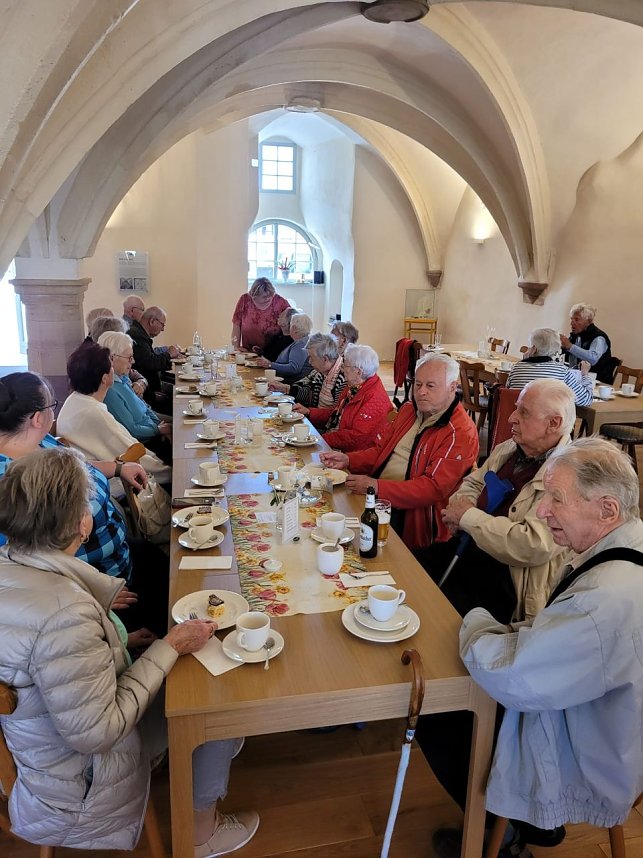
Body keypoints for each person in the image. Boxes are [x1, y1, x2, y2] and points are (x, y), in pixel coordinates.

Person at [0, 446, 259, 856]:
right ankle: (202, 833)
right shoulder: (64, 614)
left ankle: (204, 759)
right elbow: (98, 732)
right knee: (218, 699)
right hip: (82, 782)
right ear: (82, 524)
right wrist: (170, 645)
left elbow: (51, 664)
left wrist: (116, 643)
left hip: (40, 748)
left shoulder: (10, 564)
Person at [422, 438, 643, 858]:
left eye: (556, 499)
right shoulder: (629, 545)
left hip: (593, 746)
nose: (542, 511)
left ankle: (503, 832)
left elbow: (515, 676)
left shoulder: (605, 597)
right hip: (615, 719)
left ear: (607, 509)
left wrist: (473, 621)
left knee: (440, 711)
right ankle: (523, 821)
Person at [0, 371, 169, 638]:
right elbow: (26, 567)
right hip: (97, 589)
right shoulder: (10, 481)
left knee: (170, 567)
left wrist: (116, 467)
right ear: (37, 418)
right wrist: (94, 596)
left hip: (117, 555)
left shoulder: (38, 441)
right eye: (51, 406)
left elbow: (75, 464)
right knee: (170, 610)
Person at [418, 379, 576, 623]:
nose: (511, 417)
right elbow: (471, 484)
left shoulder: (568, 475)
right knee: (410, 569)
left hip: (507, 580)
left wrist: (468, 517)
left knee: (439, 616)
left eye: (523, 412)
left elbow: (532, 544)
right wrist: (462, 512)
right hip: (470, 546)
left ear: (553, 424)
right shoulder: (510, 449)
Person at [320, 353, 478, 549]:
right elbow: (380, 451)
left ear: (452, 388)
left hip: (415, 520)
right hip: (378, 497)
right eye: (418, 384)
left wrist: (377, 487)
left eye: (430, 386)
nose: (421, 392)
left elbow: (432, 488)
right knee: (324, 515)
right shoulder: (409, 410)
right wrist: (348, 460)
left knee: (342, 538)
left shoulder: (460, 432)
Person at [57, 342, 171, 485]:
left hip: (96, 473)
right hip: (109, 483)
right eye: (110, 365)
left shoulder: (75, 399)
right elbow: (130, 451)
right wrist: (169, 472)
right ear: (105, 378)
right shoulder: (93, 412)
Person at [295, 343, 392, 452]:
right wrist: (309, 412)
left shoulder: (374, 399)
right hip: (335, 440)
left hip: (350, 454)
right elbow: (336, 415)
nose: (341, 370)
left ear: (358, 372)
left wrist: (319, 439)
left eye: (344, 366)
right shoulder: (354, 386)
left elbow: (356, 438)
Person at [98, 331, 172, 464]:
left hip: (154, 434)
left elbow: (146, 408)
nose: (133, 361)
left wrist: (160, 426)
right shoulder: (110, 390)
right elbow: (132, 430)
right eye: (129, 357)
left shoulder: (123, 378)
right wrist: (159, 430)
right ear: (112, 358)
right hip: (144, 448)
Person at [507, 327, 593, 405]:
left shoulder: (516, 368)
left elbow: (508, 392)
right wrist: (585, 375)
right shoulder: (562, 371)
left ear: (533, 349)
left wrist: (524, 361)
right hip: (548, 420)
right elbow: (586, 399)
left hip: (520, 419)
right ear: (555, 351)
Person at [271, 332, 346, 408]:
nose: (309, 362)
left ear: (325, 359)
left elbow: (335, 413)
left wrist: (309, 412)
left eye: (311, 358)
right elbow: (310, 396)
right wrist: (286, 388)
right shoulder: (320, 372)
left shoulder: (343, 378)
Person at [128, 305, 181, 410]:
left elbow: (150, 358)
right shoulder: (136, 335)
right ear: (152, 321)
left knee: (182, 388)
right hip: (149, 393)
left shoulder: (139, 333)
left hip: (152, 386)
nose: (163, 330)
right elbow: (149, 363)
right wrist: (169, 354)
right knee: (180, 397)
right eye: (162, 325)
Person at [231, 277, 290, 353]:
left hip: (273, 354)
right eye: (264, 297)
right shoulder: (244, 300)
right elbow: (236, 325)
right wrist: (236, 346)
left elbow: (290, 327)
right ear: (254, 296)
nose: (268, 298)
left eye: (271, 295)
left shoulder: (281, 303)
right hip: (248, 352)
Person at [560, 302, 614, 382]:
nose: (572, 323)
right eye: (571, 319)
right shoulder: (577, 335)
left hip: (597, 381)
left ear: (588, 321)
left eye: (576, 319)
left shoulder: (598, 337)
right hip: (578, 380)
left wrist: (570, 346)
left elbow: (593, 359)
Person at [254, 312, 313, 383]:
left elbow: (294, 368)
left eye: (290, 325)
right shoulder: (302, 341)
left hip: (289, 383)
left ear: (294, 327)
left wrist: (270, 364)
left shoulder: (300, 344)